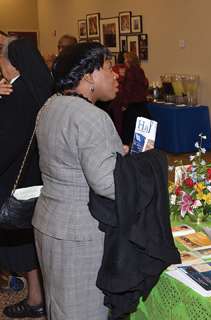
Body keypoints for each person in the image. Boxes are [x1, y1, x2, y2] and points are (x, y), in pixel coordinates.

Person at [33, 42, 126, 320]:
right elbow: (107, 184)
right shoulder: (92, 117)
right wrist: (139, 166)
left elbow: (68, 155)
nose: (116, 75)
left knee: (59, 304)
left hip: (50, 220)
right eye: (109, 67)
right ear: (88, 75)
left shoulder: (50, 105)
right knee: (83, 310)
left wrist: (114, 154)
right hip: (80, 233)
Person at [0, 36, 52, 318]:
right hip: (37, 180)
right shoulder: (42, 92)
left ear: (8, 64)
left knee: (23, 247)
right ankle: (37, 298)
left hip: (14, 186)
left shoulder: (15, 97)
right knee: (32, 245)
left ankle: (35, 300)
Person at [119, 51, 150, 144]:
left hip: (132, 106)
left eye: (125, 59)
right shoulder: (140, 70)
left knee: (130, 132)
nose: (124, 61)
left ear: (129, 60)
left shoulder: (130, 72)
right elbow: (145, 84)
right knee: (142, 132)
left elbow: (128, 89)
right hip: (142, 105)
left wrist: (124, 104)